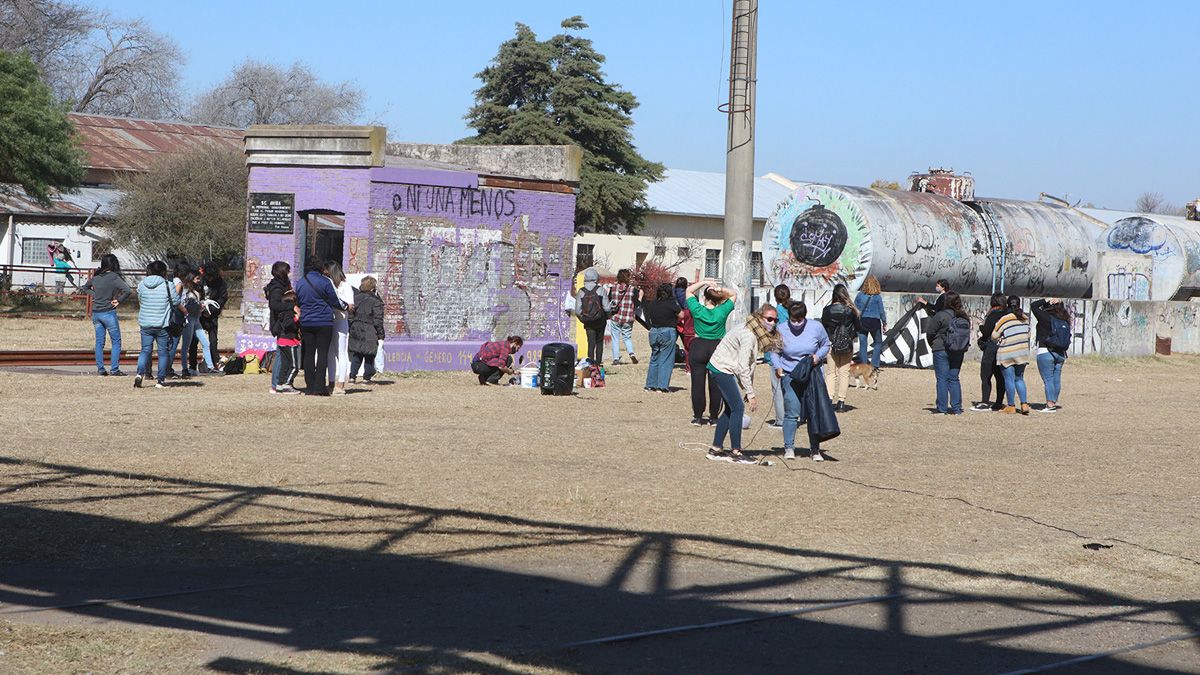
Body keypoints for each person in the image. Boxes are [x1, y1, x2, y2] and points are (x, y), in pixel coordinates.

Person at [705, 307, 782, 465]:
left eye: (775, 320)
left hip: (723, 368)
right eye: (769, 319)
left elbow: (747, 365)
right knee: (738, 408)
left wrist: (747, 389)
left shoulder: (752, 329)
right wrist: (750, 393)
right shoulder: (748, 335)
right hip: (721, 369)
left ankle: (716, 449)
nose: (772, 323)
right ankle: (736, 452)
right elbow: (743, 366)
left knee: (730, 409)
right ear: (760, 317)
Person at [771, 301, 836, 461]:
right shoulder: (781, 329)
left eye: (800, 320)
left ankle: (815, 450)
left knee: (814, 412)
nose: (796, 323)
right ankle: (789, 448)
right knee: (791, 411)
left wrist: (817, 356)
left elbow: (825, 344)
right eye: (793, 320)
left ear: (805, 317)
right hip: (790, 374)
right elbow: (775, 351)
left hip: (812, 374)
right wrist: (778, 366)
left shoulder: (816, 327)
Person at [685, 280, 736, 426]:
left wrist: (704, 282)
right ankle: (714, 417)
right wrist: (719, 289)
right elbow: (734, 294)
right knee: (716, 384)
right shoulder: (722, 310)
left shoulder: (698, 310)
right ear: (719, 299)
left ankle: (698, 416)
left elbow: (688, 291)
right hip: (717, 347)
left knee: (697, 383)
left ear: (704, 298)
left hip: (699, 345)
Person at [294, 257, 347, 396]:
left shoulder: (300, 282)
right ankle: (319, 387)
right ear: (321, 268)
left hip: (306, 321)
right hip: (324, 321)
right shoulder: (325, 282)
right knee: (322, 353)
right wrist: (346, 306)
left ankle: (309, 386)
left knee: (309, 353)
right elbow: (334, 301)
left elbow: (298, 300)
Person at [82, 254, 131, 376]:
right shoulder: (114, 277)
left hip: (96, 313)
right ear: (114, 264)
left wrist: (95, 295)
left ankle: (101, 369)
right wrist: (118, 300)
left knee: (99, 342)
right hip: (108, 312)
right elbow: (127, 290)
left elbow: (85, 287)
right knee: (116, 341)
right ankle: (114, 369)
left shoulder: (97, 276)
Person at [133, 260, 179, 389]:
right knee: (163, 352)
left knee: (145, 350)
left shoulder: (142, 284)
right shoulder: (167, 285)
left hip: (145, 323)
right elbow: (175, 301)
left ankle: (139, 373)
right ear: (164, 272)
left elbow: (140, 299)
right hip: (162, 324)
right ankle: (160, 381)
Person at [925, 290, 971, 415]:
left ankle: (942, 408)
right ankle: (956, 408)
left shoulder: (940, 315)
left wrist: (933, 344)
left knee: (942, 379)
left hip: (941, 349)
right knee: (954, 379)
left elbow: (930, 332)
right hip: (958, 350)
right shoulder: (963, 317)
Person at [821, 283, 863, 413]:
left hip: (831, 343)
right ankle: (841, 402)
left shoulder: (827, 310)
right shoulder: (851, 310)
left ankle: (828, 400)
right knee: (844, 373)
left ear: (834, 295)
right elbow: (859, 328)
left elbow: (823, 327)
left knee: (831, 372)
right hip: (847, 344)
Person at [264, 261, 300, 394]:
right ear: (282, 272)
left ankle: (277, 383)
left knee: (281, 355)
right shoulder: (277, 288)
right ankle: (277, 384)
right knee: (281, 356)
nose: (289, 274)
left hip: (281, 323)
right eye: (288, 271)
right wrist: (292, 307)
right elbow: (275, 305)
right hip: (281, 324)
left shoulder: (280, 285)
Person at [992, 295, 1032, 415]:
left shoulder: (1005, 319)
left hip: (1007, 352)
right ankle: (1024, 404)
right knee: (1019, 379)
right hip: (1022, 352)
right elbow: (1028, 334)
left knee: (1009, 379)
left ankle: (1011, 405)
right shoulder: (1025, 318)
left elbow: (994, 335)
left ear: (1007, 305)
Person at [970, 293, 1008, 412]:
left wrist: (981, 326)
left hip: (991, 348)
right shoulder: (1007, 314)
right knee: (1000, 377)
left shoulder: (993, 314)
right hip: (1003, 348)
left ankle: (985, 401)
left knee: (985, 375)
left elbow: (986, 332)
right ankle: (998, 402)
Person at [641, 283, 682, 392]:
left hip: (654, 331)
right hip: (667, 331)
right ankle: (662, 386)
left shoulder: (653, 303)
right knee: (666, 359)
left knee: (654, 358)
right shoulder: (671, 303)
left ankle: (650, 385)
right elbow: (682, 315)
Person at [1032, 297, 1071, 412]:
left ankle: (1049, 405)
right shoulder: (1064, 319)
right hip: (1061, 353)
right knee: (1056, 378)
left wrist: (1046, 300)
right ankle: (1053, 402)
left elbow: (1034, 306)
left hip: (1046, 351)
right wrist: (1059, 302)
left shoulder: (1046, 318)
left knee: (1048, 379)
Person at [190, 262, 227, 371]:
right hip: (198, 314)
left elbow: (223, 298)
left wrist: (212, 310)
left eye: (212, 277)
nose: (210, 279)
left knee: (213, 339)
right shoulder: (200, 280)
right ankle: (192, 365)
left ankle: (214, 363)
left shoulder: (221, 283)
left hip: (212, 315)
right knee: (194, 340)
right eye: (208, 276)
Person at [180, 273, 219, 376]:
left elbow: (195, 308)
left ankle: (210, 367)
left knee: (206, 343)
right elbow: (189, 307)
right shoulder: (188, 292)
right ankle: (185, 368)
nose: (199, 280)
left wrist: (202, 306)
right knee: (186, 345)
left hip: (196, 320)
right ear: (191, 279)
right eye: (197, 278)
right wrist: (201, 306)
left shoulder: (196, 291)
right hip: (189, 320)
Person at [349, 276, 385, 385]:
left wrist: (352, 325)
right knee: (369, 354)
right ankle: (366, 378)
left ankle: (352, 377)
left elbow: (350, 315)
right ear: (373, 287)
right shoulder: (376, 301)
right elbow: (378, 320)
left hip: (356, 327)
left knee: (357, 353)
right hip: (370, 328)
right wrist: (381, 334)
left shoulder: (355, 298)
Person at [325, 261, 355, 395]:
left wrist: (339, 304)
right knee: (330, 353)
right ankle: (331, 382)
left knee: (340, 353)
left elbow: (351, 306)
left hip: (341, 320)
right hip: (329, 320)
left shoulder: (345, 286)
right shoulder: (328, 285)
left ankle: (340, 383)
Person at [573, 268, 611, 364]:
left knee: (590, 343)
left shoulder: (581, 292)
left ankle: (590, 364)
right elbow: (607, 307)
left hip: (588, 322)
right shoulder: (601, 290)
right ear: (596, 278)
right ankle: (598, 364)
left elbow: (577, 310)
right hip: (600, 320)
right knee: (599, 343)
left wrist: (583, 319)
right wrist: (606, 316)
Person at [768, 284, 793, 428]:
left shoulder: (775, 313)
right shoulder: (795, 310)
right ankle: (794, 415)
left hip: (779, 352)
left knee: (777, 388)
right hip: (793, 352)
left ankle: (781, 420)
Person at [854, 275, 888, 371]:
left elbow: (854, 308)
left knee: (863, 343)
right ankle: (874, 365)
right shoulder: (877, 297)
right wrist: (884, 322)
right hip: (874, 321)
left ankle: (864, 365)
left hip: (862, 321)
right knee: (878, 342)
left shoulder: (860, 295)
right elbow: (881, 311)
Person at [607, 269, 640, 365]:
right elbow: (637, 304)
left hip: (615, 317)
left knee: (615, 338)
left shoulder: (612, 288)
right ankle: (631, 354)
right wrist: (640, 297)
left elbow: (609, 301)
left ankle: (616, 358)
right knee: (627, 337)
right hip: (628, 318)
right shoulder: (633, 290)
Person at [674, 277, 695, 373]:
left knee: (671, 343)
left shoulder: (672, 292)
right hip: (686, 320)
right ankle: (689, 367)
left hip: (674, 319)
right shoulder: (688, 294)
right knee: (688, 346)